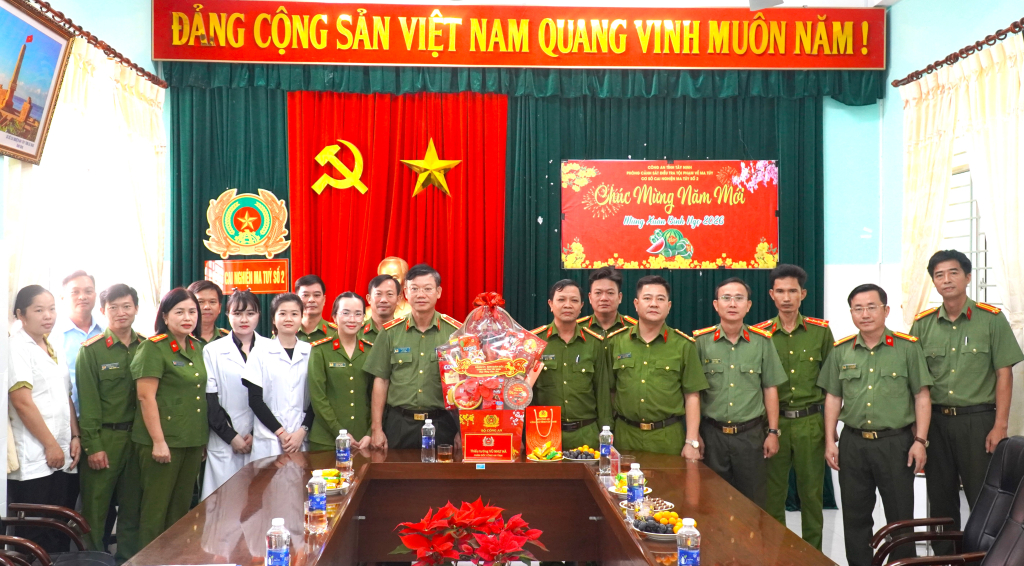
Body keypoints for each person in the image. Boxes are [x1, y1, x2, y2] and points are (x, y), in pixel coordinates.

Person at [910, 250, 1024, 554]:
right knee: (940, 499)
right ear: (934, 281)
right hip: (936, 424)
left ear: (968, 277)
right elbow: (915, 382)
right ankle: (944, 558)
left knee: (984, 500)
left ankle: (984, 559)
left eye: (953, 273)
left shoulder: (991, 319)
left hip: (978, 422)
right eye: (939, 275)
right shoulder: (922, 325)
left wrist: (1000, 425)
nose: (946, 280)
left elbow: (1004, 374)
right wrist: (918, 431)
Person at [818, 283, 932, 566]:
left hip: (896, 443)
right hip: (853, 443)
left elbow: (922, 396)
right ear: (851, 313)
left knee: (900, 517)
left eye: (871, 307)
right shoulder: (841, 350)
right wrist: (830, 440)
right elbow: (833, 397)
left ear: (886, 310)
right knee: (855, 516)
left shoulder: (907, 348)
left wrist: (920, 441)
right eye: (858, 308)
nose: (865, 314)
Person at [753, 264, 834, 550]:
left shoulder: (820, 332)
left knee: (811, 495)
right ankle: (776, 555)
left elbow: (832, 385)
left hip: (810, 422)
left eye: (792, 291)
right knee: (773, 495)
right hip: (772, 425)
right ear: (771, 295)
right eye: (780, 291)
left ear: (803, 294)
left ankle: (813, 555)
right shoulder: (760, 334)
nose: (786, 298)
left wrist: (830, 431)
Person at [693, 277, 786, 509]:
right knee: (712, 502)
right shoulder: (700, 342)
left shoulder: (762, 342)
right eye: (726, 298)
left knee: (753, 503)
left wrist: (773, 432)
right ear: (716, 305)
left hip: (750, 436)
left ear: (749, 305)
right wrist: (694, 436)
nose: (732, 303)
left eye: (739, 298)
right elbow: (693, 392)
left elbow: (770, 388)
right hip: (712, 435)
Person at [131, 288, 208, 549]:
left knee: (181, 511)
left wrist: (201, 440)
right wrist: (158, 441)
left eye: (192, 312)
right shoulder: (153, 348)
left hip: (191, 440)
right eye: (179, 312)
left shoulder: (197, 347)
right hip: (163, 441)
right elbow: (145, 397)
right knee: (155, 511)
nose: (187, 317)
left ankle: (175, 559)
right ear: (164, 316)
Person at [8, 285, 81, 553]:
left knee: (58, 523)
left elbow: (65, 396)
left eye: (51, 309)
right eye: (39, 310)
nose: (48, 315)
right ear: (21, 314)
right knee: (35, 528)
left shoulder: (52, 345)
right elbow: (22, 402)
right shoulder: (16, 347)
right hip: (35, 452)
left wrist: (75, 436)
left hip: (62, 447)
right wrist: (50, 445)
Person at [76, 284, 144, 559]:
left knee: (133, 507)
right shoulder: (91, 351)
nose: (121, 312)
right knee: (95, 510)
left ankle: (129, 560)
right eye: (113, 307)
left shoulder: (147, 346)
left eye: (126, 306)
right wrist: (93, 446)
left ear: (136, 308)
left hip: (138, 440)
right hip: (106, 439)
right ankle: (93, 561)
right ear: (103, 311)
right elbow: (88, 403)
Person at [606, 276, 706, 456]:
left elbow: (692, 396)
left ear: (669, 306)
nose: (654, 304)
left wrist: (692, 441)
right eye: (647, 298)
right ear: (636, 304)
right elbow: (611, 391)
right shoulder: (616, 342)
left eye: (660, 299)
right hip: (625, 435)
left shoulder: (683, 345)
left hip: (667, 437)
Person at [365, 263, 461, 450]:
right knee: (396, 469)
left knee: (443, 470)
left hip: (443, 423)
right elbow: (381, 380)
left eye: (427, 289)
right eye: (414, 289)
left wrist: (463, 429)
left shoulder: (455, 333)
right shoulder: (390, 332)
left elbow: (466, 384)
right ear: (406, 293)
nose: (420, 294)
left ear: (438, 292)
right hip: (399, 424)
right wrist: (376, 428)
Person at [529, 280, 612, 449]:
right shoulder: (534, 342)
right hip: (543, 433)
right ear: (550, 304)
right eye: (561, 300)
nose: (568, 305)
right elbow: (524, 393)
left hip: (586, 434)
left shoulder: (595, 343)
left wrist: (606, 434)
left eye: (574, 300)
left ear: (581, 306)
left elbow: (603, 393)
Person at [202, 290, 267, 499]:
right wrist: (232, 437)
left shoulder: (271, 348)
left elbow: (274, 399)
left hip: (262, 437)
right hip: (225, 441)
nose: (244, 320)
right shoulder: (212, 351)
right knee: (223, 506)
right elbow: (210, 400)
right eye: (237, 313)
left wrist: (256, 434)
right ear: (227, 315)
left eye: (250, 313)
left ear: (259, 315)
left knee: (260, 503)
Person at [244, 293, 314, 459]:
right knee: (268, 476)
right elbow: (255, 400)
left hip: (301, 437)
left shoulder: (311, 352)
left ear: (301, 318)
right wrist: (281, 433)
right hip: (269, 438)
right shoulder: (260, 352)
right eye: (282, 313)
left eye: (294, 314)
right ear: (274, 319)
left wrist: (301, 432)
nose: (288, 318)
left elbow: (317, 399)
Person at [308, 292, 375, 452]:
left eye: (358, 314)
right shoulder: (320, 350)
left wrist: (370, 433)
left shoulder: (370, 351)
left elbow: (376, 396)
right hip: (326, 440)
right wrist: (339, 431)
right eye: (345, 313)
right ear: (334, 317)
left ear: (363, 318)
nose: (352, 319)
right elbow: (318, 398)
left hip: (362, 440)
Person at [50, 270, 104, 415]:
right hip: (66, 417)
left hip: (105, 418)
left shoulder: (106, 331)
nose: (82, 297)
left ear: (95, 295)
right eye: (75, 292)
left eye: (88, 291)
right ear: (62, 297)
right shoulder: (51, 336)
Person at [578, 266, 636, 338]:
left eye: (610, 293)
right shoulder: (577, 328)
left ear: (619, 297)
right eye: (598, 293)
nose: (604, 298)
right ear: (590, 298)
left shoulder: (634, 328)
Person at [295, 275, 338, 343]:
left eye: (316, 295)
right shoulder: (286, 332)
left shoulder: (337, 333)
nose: (311, 300)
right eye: (305, 295)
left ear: (324, 300)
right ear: (297, 300)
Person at [362, 274, 401, 342]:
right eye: (378, 294)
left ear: (398, 299)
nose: (383, 300)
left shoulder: (406, 334)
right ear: (369, 299)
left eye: (389, 294)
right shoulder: (355, 333)